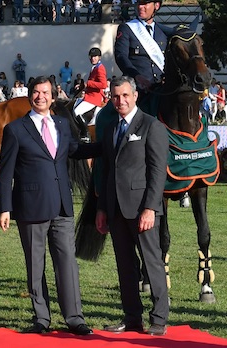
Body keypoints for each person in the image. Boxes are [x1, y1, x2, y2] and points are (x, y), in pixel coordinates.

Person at [0, 76, 93, 336]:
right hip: (31, 206)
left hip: (62, 205)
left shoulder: (62, 124)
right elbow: (5, 174)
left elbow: (73, 150)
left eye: (45, 92)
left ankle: (74, 318)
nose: (41, 97)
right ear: (30, 96)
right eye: (36, 92)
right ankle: (41, 318)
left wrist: (103, 147)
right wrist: (4, 208)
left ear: (53, 96)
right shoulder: (15, 129)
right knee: (35, 264)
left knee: (67, 265)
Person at [93, 76, 169, 336]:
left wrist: (150, 208)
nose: (120, 101)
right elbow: (106, 172)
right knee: (125, 266)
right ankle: (132, 317)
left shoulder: (151, 126)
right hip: (115, 209)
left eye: (125, 95)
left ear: (135, 96)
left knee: (151, 262)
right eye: (115, 96)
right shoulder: (110, 128)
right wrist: (102, 208)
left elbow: (158, 172)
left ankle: (159, 319)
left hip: (142, 210)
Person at [114, 0, 172, 94]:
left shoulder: (163, 32)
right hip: (136, 89)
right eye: (139, 3)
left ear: (157, 6)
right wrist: (137, 76)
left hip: (162, 90)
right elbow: (121, 56)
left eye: (145, 3)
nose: (141, 7)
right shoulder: (127, 29)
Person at [73, 48, 107, 131]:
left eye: (95, 56)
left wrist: (88, 83)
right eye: (91, 57)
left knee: (77, 111)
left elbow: (103, 84)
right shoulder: (95, 67)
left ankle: (85, 133)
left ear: (99, 57)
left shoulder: (100, 68)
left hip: (94, 98)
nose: (92, 58)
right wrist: (81, 86)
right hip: (90, 96)